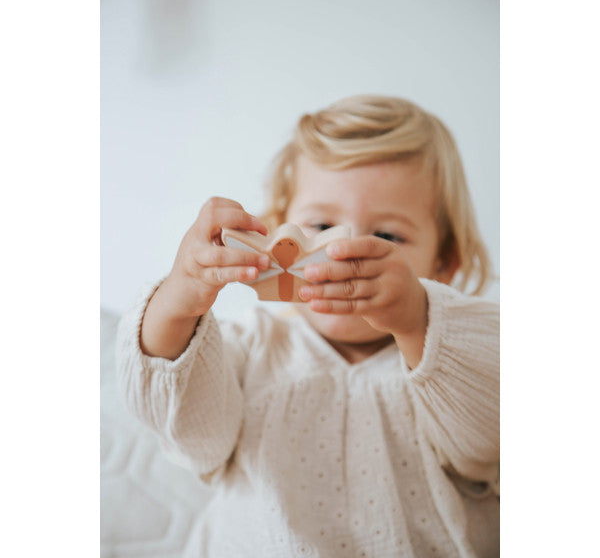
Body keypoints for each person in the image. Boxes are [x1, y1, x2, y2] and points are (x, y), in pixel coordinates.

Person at [116, 95, 499, 557]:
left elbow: (486, 446)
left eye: (387, 236)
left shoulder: (457, 364)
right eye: (320, 225)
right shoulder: (252, 348)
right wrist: (180, 300)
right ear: (279, 235)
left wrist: (420, 319)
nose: (345, 250)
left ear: (445, 263)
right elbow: (190, 431)